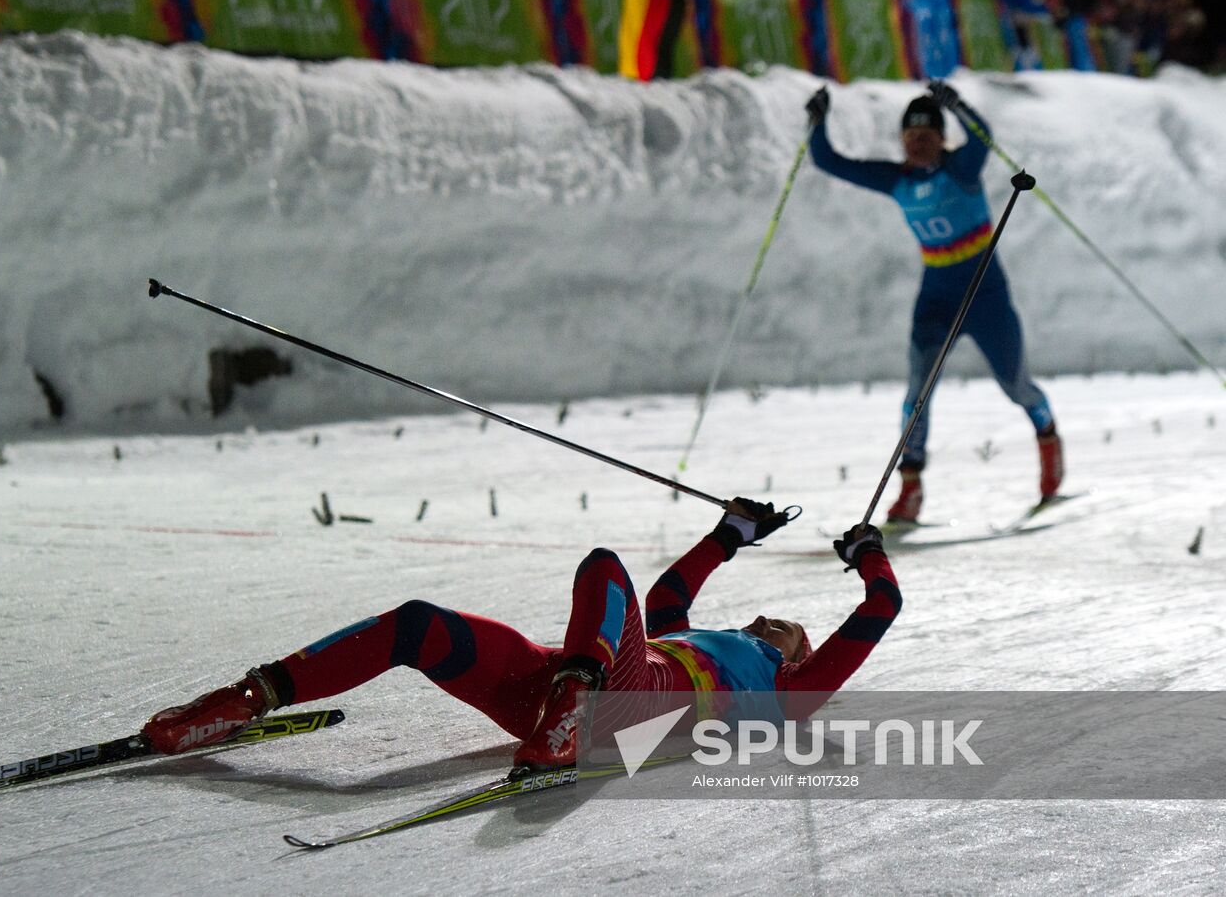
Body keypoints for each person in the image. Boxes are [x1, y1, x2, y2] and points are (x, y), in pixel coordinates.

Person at [142, 500, 901, 776]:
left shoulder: (788, 694)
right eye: (768, 619)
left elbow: (880, 607)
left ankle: (574, 710)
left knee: (605, 568)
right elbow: (670, 596)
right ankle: (242, 701)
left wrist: (868, 552)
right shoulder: (697, 636)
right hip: (561, 689)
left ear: (802, 655)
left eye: (790, 631)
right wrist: (730, 534)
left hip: (638, 710)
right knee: (417, 625)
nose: (774, 623)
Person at [805, 81, 1063, 523]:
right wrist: (817, 120)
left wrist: (959, 106)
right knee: (916, 395)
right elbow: (828, 161)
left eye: (926, 137)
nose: (917, 146)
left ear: (942, 140)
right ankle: (910, 487)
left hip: (986, 296)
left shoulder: (961, 169)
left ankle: (1048, 436)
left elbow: (984, 136)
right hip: (937, 299)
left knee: (1015, 384)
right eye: (910, 138)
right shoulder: (896, 178)